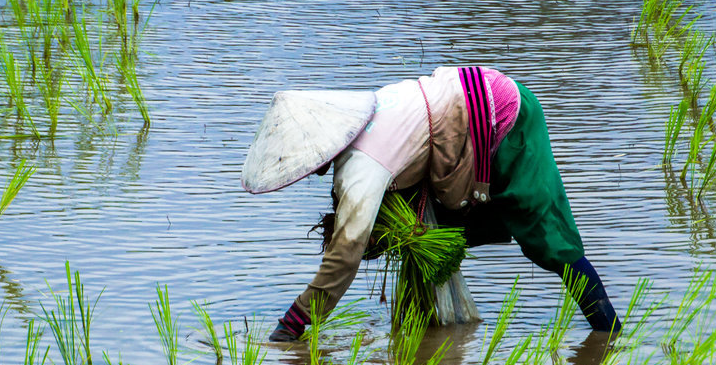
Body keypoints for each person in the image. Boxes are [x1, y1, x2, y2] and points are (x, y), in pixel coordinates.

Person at [241, 66, 619, 342]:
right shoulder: (367, 113)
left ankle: (610, 334)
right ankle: (438, 340)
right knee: (438, 235)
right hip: (468, 107)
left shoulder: (364, 169)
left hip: (507, 118)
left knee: (551, 241)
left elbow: (345, 255)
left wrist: (295, 320)